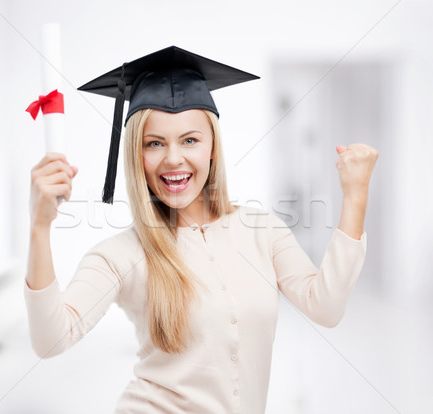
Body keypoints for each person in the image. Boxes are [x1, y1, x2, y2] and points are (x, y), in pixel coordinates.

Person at [24, 46, 378, 413]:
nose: (173, 158)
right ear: (136, 155)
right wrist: (39, 226)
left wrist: (355, 197)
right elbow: (51, 340)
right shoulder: (120, 255)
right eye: (154, 143)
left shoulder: (261, 230)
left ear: (212, 147)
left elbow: (327, 307)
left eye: (189, 140)